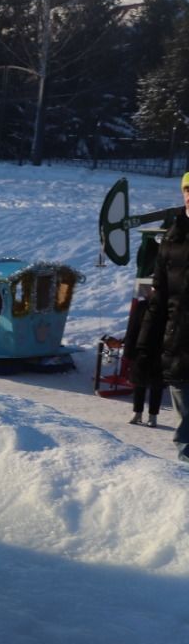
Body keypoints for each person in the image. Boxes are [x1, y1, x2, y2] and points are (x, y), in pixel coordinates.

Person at [137, 173, 189, 460]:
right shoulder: (172, 239)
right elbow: (158, 300)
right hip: (179, 346)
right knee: (186, 434)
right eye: (187, 189)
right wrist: (144, 347)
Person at [125, 287, 163, 428]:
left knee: (157, 385)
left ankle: (153, 415)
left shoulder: (168, 308)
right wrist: (128, 350)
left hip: (160, 350)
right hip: (140, 349)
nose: (150, 292)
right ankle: (137, 412)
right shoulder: (141, 306)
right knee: (139, 383)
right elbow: (133, 328)